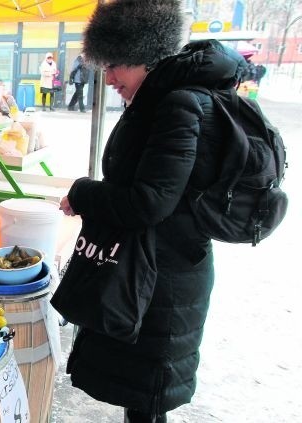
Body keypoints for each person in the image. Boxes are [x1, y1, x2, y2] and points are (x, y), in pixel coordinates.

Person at [57, 1, 243, 422]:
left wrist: (84, 193)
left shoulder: (176, 105)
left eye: (116, 65)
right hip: (154, 267)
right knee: (139, 397)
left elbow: (149, 202)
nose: (109, 77)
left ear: (145, 54)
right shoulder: (160, 100)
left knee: (147, 401)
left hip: (167, 277)